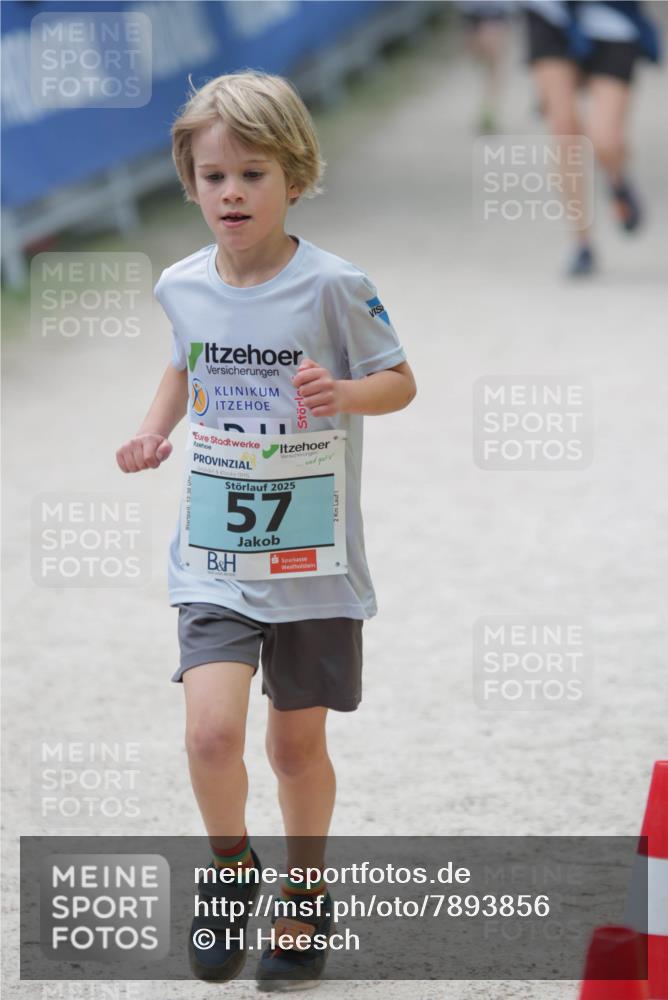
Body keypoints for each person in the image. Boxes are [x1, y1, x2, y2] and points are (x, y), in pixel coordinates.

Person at [115, 69, 416, 989]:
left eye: (252, 174)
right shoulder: (182, 284)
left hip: (312, 562)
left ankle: (307, 891)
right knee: (210, 734)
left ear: (295, 175)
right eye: (214, 177)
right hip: (214, 556)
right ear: (190, 183)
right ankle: (231, 869)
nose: (232, 193)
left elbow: (400, 382)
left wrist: (345, 391)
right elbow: (183, 363)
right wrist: (152, 429)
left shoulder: (335, 285)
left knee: (293, 748)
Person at [522, 0, 660, 275]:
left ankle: (617, 179)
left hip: (612, 18)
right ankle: (581, 241)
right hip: (550, 14)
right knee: (564, 132)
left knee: (605, 139)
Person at [456, 1, 514, 133]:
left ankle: (489, 110)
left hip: (496, 9)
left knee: (494, 60)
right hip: (469, 9)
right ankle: (487, 108)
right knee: (479, 56)